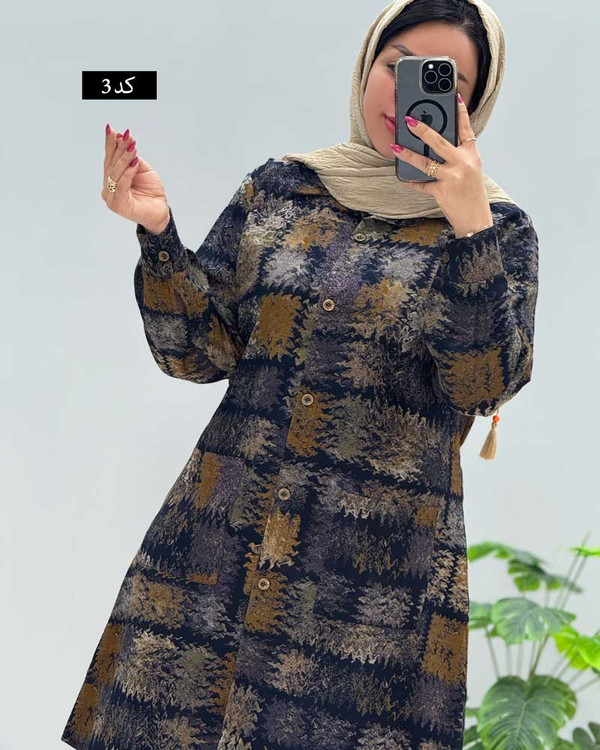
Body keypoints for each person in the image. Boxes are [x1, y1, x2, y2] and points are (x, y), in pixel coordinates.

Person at [61, 0, 539, 747]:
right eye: (397, 65)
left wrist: (468, 226)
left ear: (473, 105)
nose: (408, 92)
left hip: (367, 596)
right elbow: (198, 354)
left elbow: (481, 385)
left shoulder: (499, 232)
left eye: (444, 80)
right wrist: (157, 234)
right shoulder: (282, 189)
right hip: (219, 549)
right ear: (368, 64)